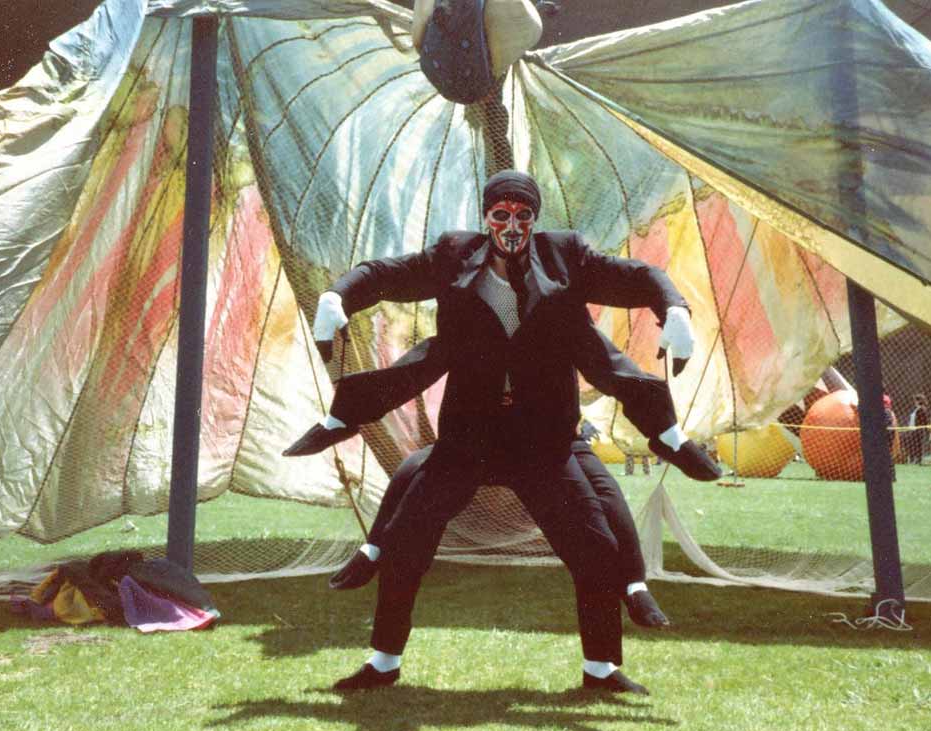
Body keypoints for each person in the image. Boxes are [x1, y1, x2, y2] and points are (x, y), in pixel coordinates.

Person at [297, 170, 714, 695]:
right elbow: (385, 274)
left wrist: (673, 307)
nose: (512, 226)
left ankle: (602, 670)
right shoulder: (454, 255)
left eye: (523, 215)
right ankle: (383, 662)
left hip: (542, 442)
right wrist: (339, 296)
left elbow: (635, 276)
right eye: (501, 215)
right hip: (468, 439)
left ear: (535, 220)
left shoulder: (566, 255)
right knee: (406, 540)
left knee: (594, 546)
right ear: (486, 217)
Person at [905, 394, 929, 465]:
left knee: (917, 445)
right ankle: (914, 458)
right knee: (914, 444)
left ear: (918, 401)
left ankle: (918, 459)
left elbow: (924, 420)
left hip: (918, 429)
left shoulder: (922, 409)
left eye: (915, 400)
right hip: (913, 429)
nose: (914, 402)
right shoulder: (917, 409)